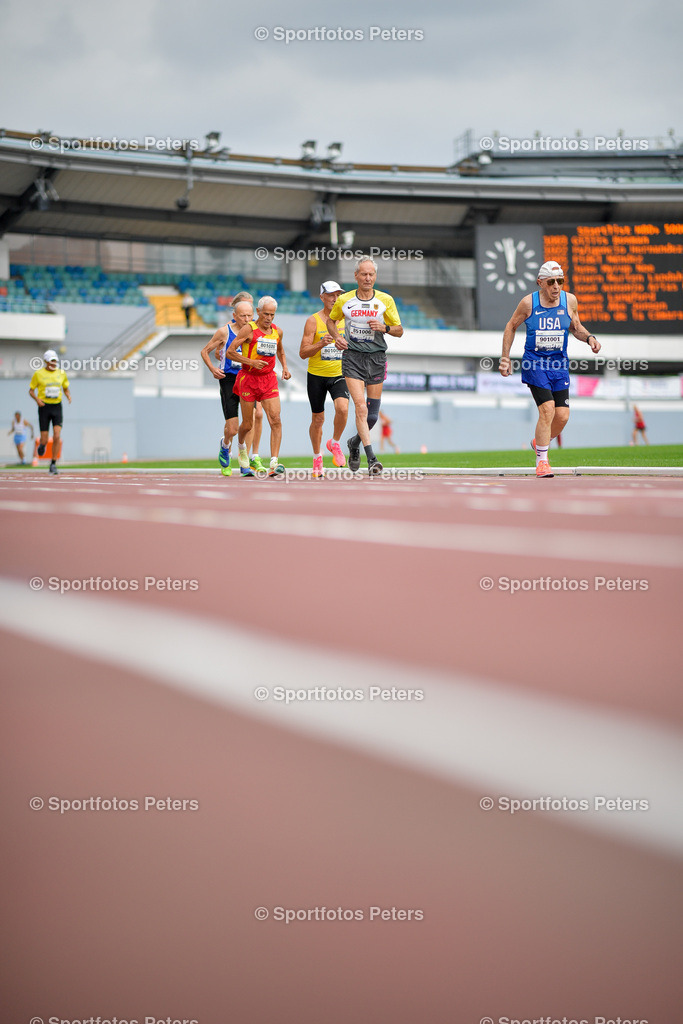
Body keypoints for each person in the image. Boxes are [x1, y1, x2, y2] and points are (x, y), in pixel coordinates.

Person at [500, 260, 601, 478]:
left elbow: (576, 327)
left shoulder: (569, 300)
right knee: (547, 409)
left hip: (559, 364)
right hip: (534, 363)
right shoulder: (529, 303)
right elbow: (511, 326)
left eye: (560, 281)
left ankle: (539, 443)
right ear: (540, 283)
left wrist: (589, 338)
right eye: (551, 282)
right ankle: (542, 462)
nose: (556, 286)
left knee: (562, 416)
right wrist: (505, 357)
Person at [326, 256, 403, 476]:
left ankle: (354, 443)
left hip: (377, 358)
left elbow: (399, 330)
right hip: (353, 358)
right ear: (356, 276)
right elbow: (331, 321)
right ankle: (372, 459)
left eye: (371, 274)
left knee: (372, 417)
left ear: (375, 276)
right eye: (364, 274)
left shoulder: (385, 300)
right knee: (360, 407)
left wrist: (384, 327)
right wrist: (337, 337)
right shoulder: (345, 300)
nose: (367, 278)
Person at [200, 292, 265, 477]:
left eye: (249, 316)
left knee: (250, 422)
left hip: (248, 379)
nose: (246, 319)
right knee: (233, 428)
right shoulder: (224, 331)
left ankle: (245, 462)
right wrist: (213, 369)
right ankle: (225, 445)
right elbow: (205, 351)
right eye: (243, 316)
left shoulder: (255, 331)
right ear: (234, 316)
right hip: (229, 379)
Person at [226, 296, 291, 477]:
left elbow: (280, 351)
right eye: (266, 314)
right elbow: (230, 352)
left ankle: (274, 462)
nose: (269, 318)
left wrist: (285, 367)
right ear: (258, 312)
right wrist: (250, 362)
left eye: (272, 314)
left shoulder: (277, 331)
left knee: (275, 419)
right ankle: (241, 448)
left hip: (268, 379)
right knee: (247, 424)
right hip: (249, 378)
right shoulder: (249, 329)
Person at [299, 281, 349, 478]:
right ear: (322, 297)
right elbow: (303, 353)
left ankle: (335, 442)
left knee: (343, 409)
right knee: (318, 419)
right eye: (330, 295)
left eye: (338, 295)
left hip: (339, 374)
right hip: (317, 376)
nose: (335, 299)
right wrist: (321, 343)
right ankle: (317, 457)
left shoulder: (346, 319)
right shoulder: (313, 321)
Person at [28, 349, 71, 475]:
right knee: (45, 439)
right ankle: (42, 445)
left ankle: (53, 464)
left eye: (55, 361)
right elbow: (31, 391)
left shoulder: (61, 373)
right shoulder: (38, 374)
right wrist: (37, 400)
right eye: (51, 361)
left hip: (57, 407)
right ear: (46, 361)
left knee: (57, 435)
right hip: (44, 407)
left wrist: (68, 395)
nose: (53, 363)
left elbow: (66, 388)